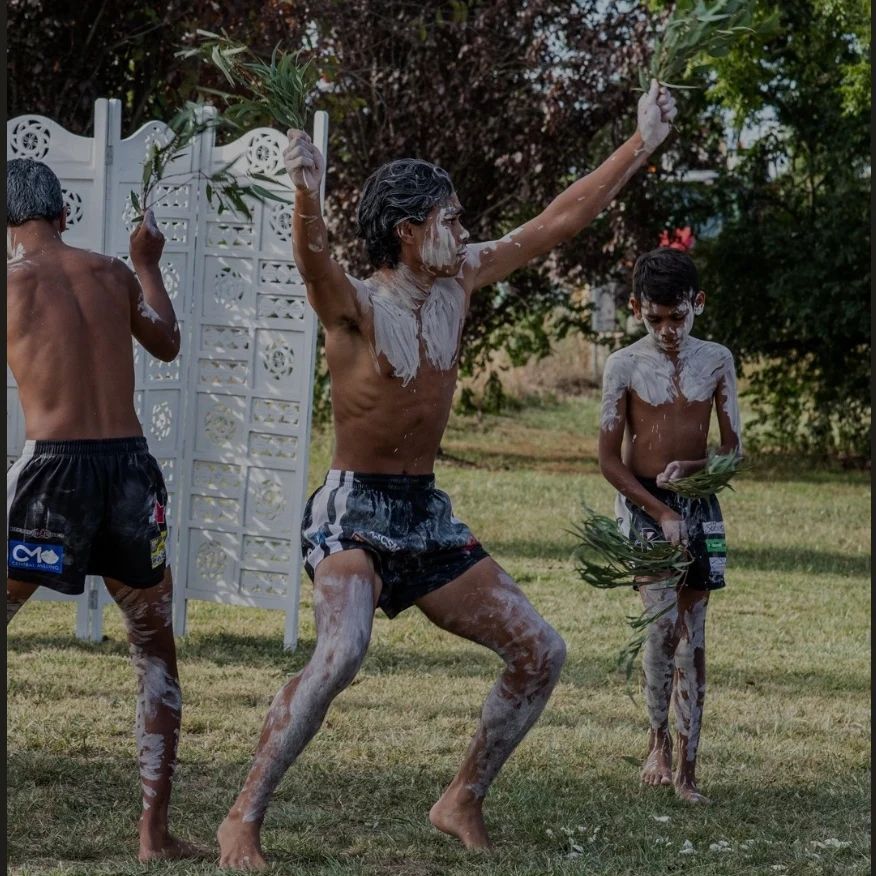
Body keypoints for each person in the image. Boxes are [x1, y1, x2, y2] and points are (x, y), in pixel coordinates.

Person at [217, 81, 678, 870]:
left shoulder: (460, 278)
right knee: (342, 649)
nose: (464, 231)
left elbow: (552, 225)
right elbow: (313, 259)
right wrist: (307, 191)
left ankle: (461, 795)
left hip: (422, 511)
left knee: (542, 651)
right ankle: (242, 818)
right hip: (351, 509)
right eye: (449, 219)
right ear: (406, 231)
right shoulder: (356, 307)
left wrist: (641, 146)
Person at [6, 158, 200, 861]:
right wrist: (149, 262)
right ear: (64, 215)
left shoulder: (9, 283)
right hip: (127, 473)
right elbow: (168, 342)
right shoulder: (115, 273)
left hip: (52, 474)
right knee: (152, 642)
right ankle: (153, 833)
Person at [597, 246, 742, 804]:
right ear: (636, 308)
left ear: (697, 304)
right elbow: (610, 460)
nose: (667, 330)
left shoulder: (716, 360)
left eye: (677, 317)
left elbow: (734, 452)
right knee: (662, 630)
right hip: (644, 504)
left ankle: (689, 768)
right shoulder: (624, 366)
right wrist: (658, 510)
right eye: (654, 318)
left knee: (695, 639)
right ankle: (656, 738)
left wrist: (699, 469)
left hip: (700, 503)